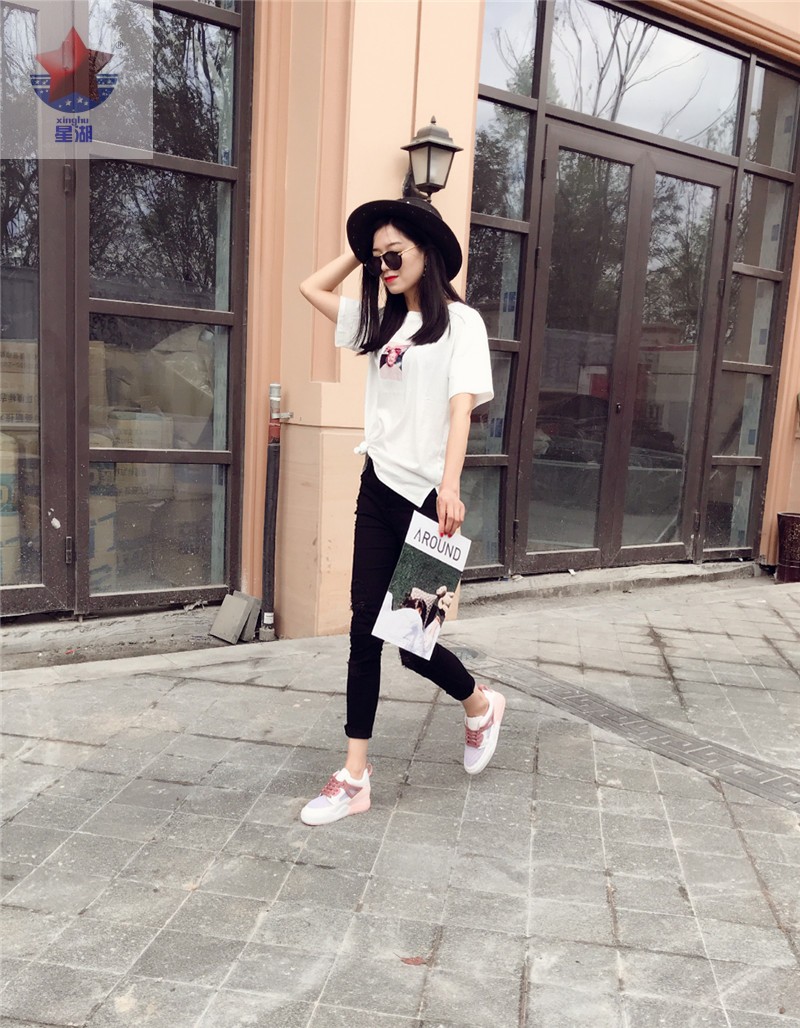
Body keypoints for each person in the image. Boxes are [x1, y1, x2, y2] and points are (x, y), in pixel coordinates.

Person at [298, 196, 505, 827]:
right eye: (377, 258)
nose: (384, 267)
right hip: (378, 488)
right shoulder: (378, 322)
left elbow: (460, 408)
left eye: (394, 255)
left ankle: (479, 705)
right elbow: (311, 288)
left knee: (413, 645)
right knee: (364, 632)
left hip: (429, 499)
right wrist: (358, 253)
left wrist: (450, 486)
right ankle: (354, 777)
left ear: (427, 253)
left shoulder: (461, 324)